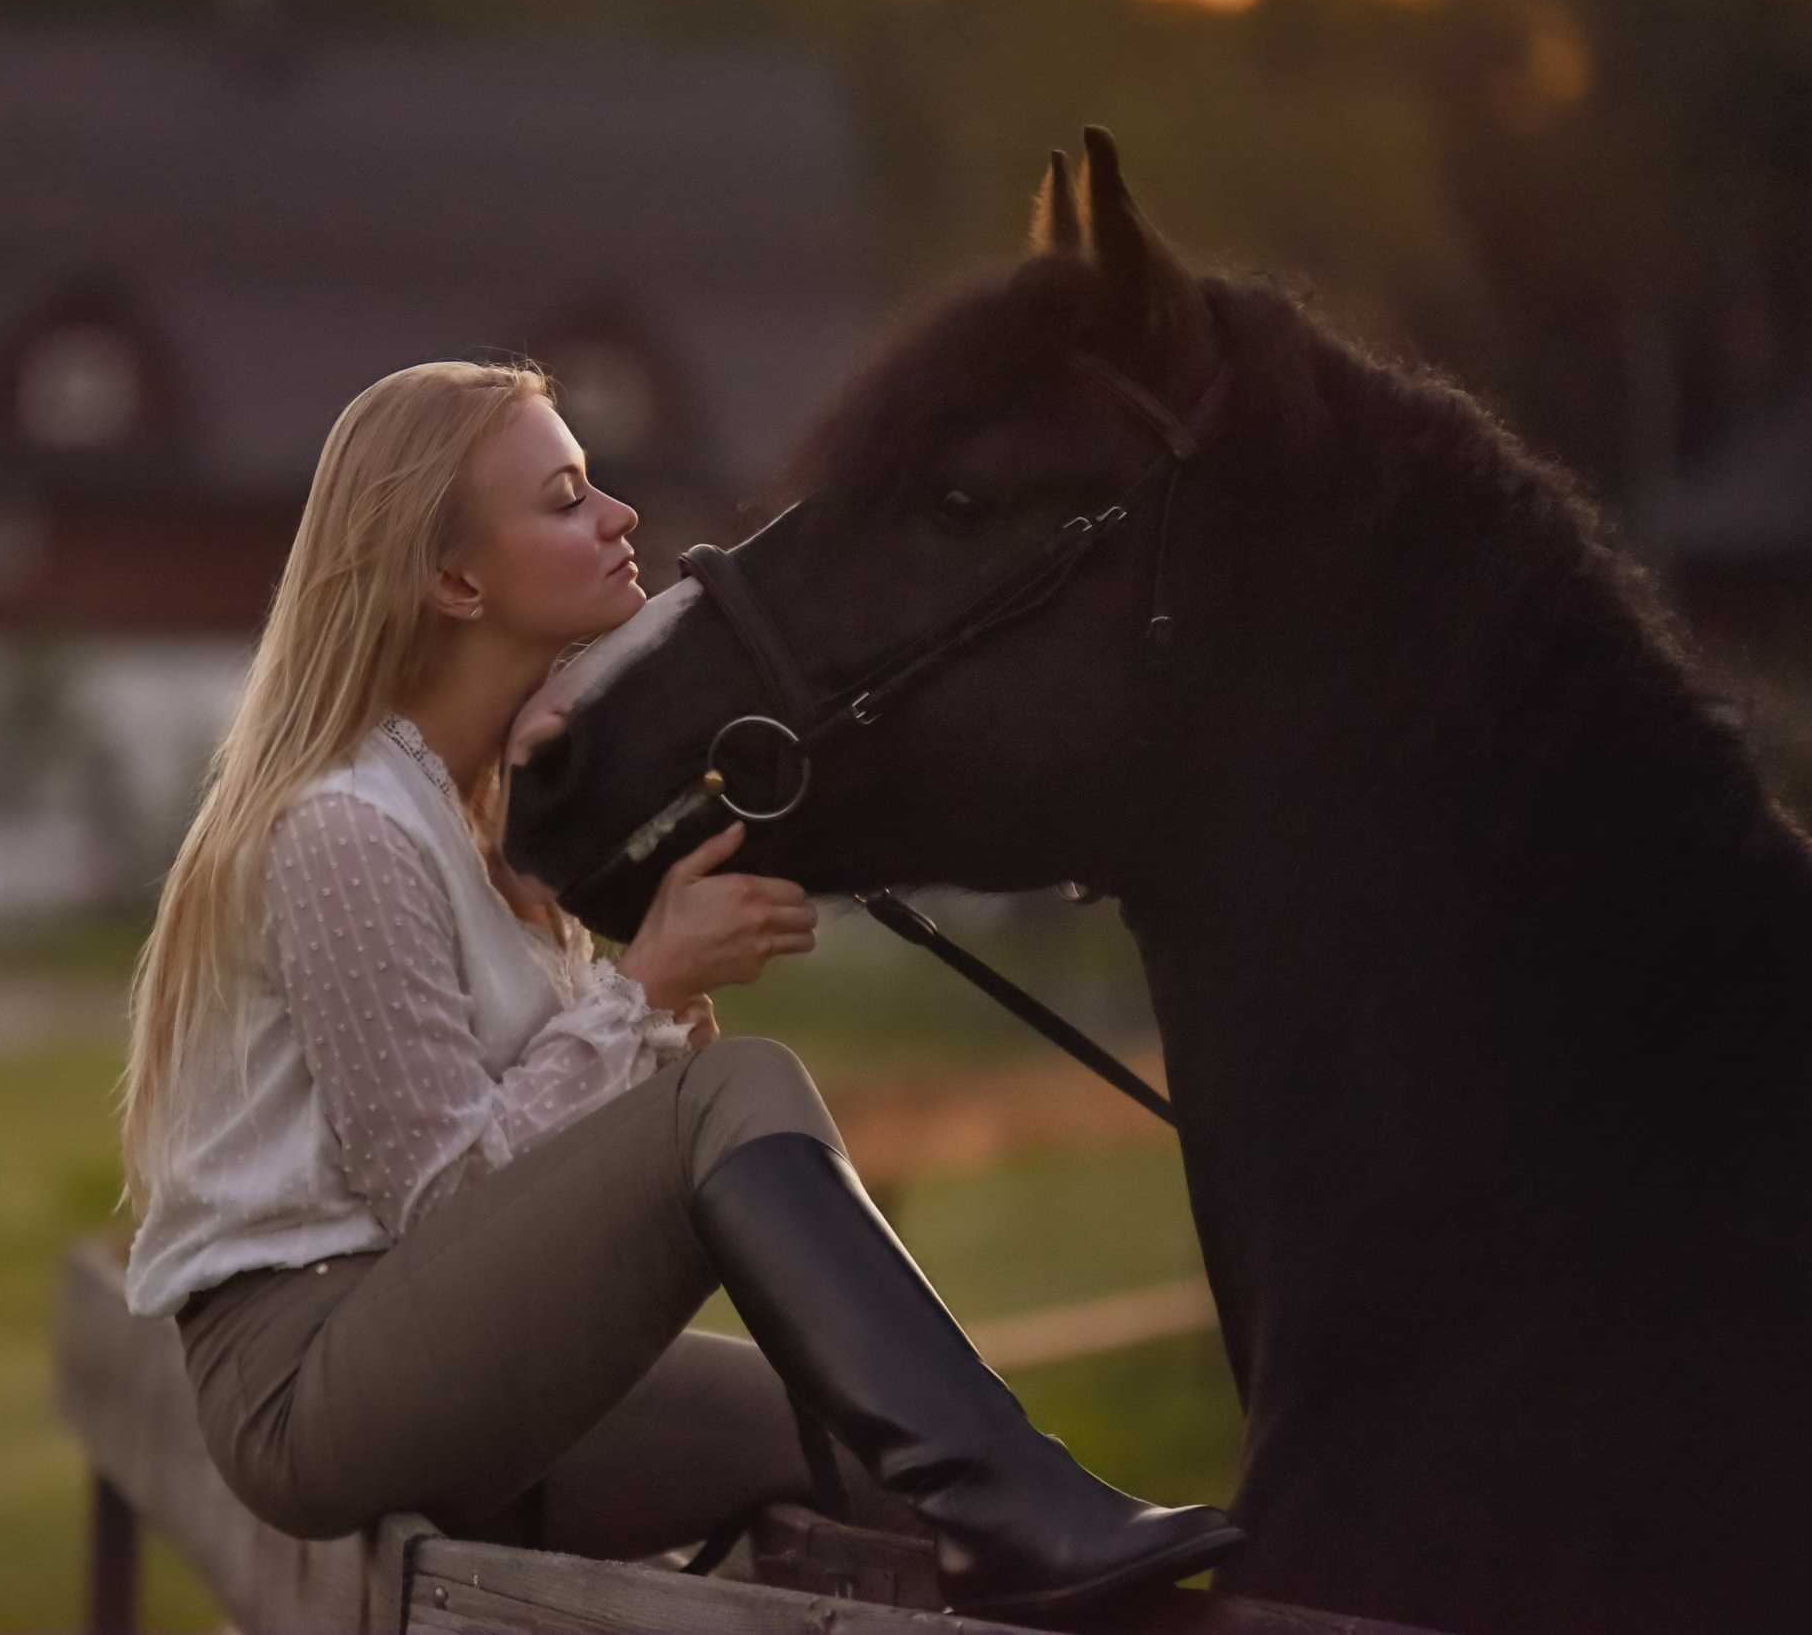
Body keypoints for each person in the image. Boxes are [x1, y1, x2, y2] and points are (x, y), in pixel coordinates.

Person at [118, 361, 1243, 1615]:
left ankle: (1010, 1514)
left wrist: (639, 992)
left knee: (872, 1466)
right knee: (739, 1084)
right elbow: (443, 1200)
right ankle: (1018, 1498)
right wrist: (647, 988)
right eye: (563, 498)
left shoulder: (479, 813)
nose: (620, 518)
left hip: (419, 1360)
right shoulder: (347, 828)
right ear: (454, 580)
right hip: (308, 1382)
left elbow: (531, 1191)